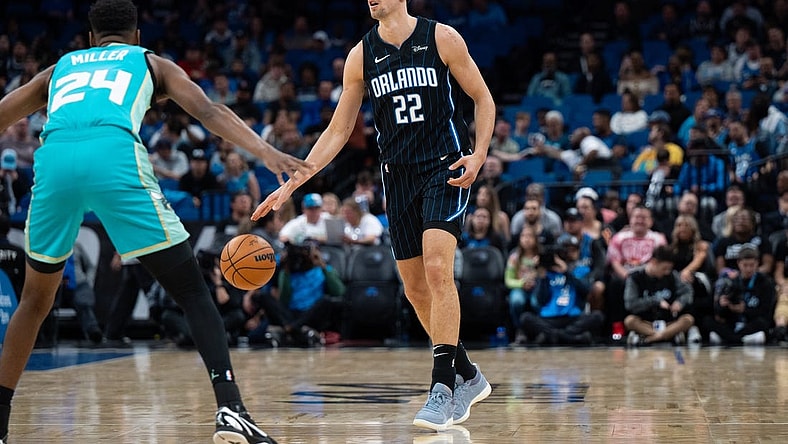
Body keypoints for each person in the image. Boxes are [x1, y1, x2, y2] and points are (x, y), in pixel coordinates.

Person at [0, 1, 313, 443]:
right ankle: (231, 409)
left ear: (90, 39)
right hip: (113, 156)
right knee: (191, 290)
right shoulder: (149, 61)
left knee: (33, 302)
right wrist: (266, 153)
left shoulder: (60, 68)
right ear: (137, 35)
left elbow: (3, 113)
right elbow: (208, 111)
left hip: (53, 161)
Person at [252, 0, 495, 432]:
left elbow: (482, 97)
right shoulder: (361, 55)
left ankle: (442, 387)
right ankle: (469, 374)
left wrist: (478, 155)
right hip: (396, 177)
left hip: (445, 168)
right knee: (417, 290)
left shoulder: (441, 37)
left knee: (439, 269)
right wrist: (293, 182)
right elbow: (339, 130)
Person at [624, 246, 695, 346]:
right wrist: (655, 301)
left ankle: (652, 338)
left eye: (669, 269)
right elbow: (630, 304)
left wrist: (680, 302)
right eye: (664, 268)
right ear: (654, 262)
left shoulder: (672, 275)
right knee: (629, 321)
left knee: (688, 319)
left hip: (668, 323)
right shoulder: (635, 277)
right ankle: (668, 336)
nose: (667, 272)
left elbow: (687, 292)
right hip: (646, 322)